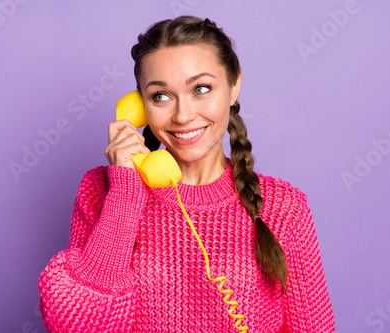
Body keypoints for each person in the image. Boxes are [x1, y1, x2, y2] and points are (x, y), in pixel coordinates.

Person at [38, 15, 335, 332]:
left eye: (201, 89)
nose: (182, 115)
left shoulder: (283, 206)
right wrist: (125, 196)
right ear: (139, 104)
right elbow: (76, 325)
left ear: (233, 87)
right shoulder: (102, 191)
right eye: (160, 96)